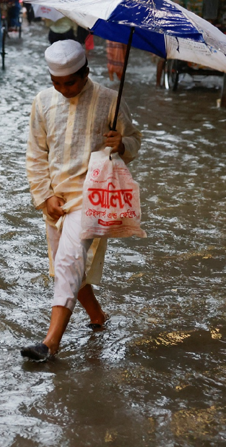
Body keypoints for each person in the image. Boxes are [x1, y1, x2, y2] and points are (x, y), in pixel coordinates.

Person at [22, 40, 142, 361]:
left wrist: (121, 144)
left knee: (68, 263)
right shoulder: (43, 102)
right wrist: (44, 196)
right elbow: (36, 155)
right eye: (56, 83)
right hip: (56, 202)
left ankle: (50, 344)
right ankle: (98, 317)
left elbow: (134, 140)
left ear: (86, 73)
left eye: (70, 83)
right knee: (70, 270)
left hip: (93, 200)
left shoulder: (110, 101)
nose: (63, 89)